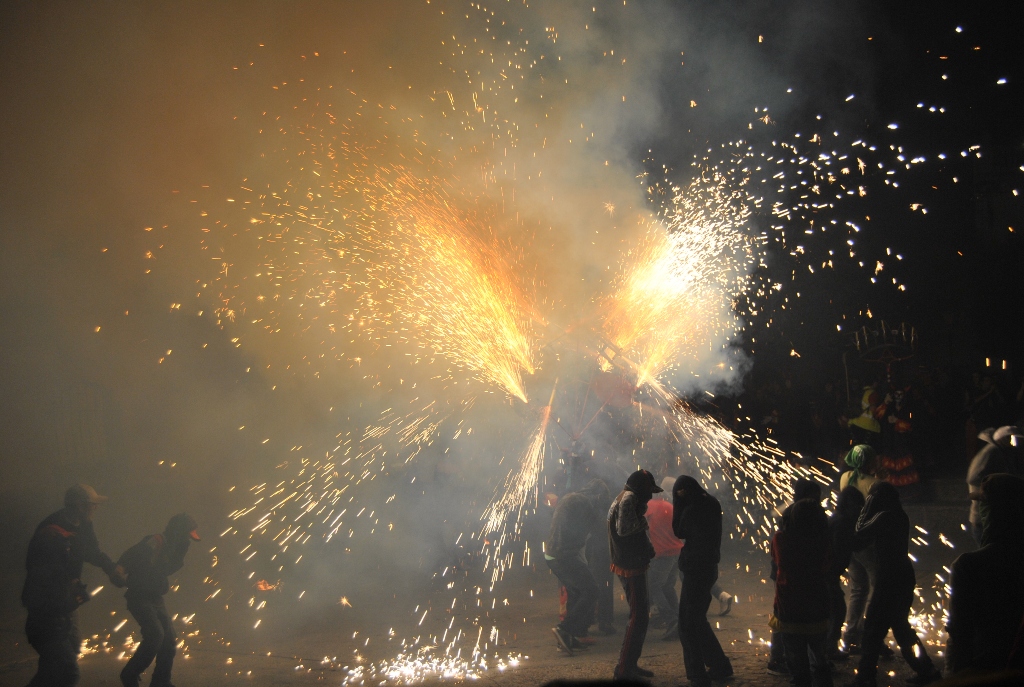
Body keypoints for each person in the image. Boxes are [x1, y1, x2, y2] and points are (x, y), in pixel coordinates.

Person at [21, 484, 124, 687]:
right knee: (67, 670)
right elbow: (39, 569)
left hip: (67, 599)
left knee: (71, 649)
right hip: (47, 605)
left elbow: (92, 551)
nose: (95, 509)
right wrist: (63, 586)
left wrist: (111, 568)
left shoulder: (83, 524)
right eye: (92, 505)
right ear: (79, 506)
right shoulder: (51, 531)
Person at [848, 482, 941, 687]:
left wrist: (867, 506)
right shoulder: (899, 515)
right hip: (902, 577)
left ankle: (865, 677)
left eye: (872, 497)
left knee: (873, 628)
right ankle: (927, 669)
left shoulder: (884, 516)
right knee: (901, 627)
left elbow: (859, 532)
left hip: (889, 580)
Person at [945, 473, 1024, 676]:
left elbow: (959, 634)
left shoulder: (969, 565)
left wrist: (954, 677)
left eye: (985, 505)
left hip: (983, 670)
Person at [117, 513, 200, 687]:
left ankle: (161, 682)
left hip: (155, 597)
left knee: (169, 640)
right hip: (139, 596)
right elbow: (132, 554)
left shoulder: (174, 548)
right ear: (178, 532)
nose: (187, 541)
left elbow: (167, 568)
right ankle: (129, 674)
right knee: (155, 635)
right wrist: (119, 570)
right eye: (186, 536)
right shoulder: (156, 541)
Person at [673, 475, 733, 687]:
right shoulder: (712, 502)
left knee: (687, 623)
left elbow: (678, 531)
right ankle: (720, 665)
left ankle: (697, 674)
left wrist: (678, 504)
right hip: (709, 567)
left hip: (695, 569)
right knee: (697, 620)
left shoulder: (690, 509)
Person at [770, 499, 834, 687]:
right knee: (819, 657)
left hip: (790, 604)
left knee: (796, 661)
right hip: (817, 602)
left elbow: (777, 560)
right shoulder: (823, 539)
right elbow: (828, 565)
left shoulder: (781, 539)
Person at [608, 469, 660, 681]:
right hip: (629, 564)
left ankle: (630, 664)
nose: (651, 497)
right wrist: (645, 524)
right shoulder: (629, 499)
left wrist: (647, 546)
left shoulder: (627, 497)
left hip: (632, 562)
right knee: (638, 616)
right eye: (649, 492)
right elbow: (625, 529)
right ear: (641, 489)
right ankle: (623, 670)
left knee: (641, 615)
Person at [546, 481, 603, 656]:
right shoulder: (585, 503)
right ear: (598, 496)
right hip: (565, 556)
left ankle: (568, 638)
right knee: (592, 590)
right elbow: (598, 527)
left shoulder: (571, 498)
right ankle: (564, 629)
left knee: (577, 592)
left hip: (553, 554)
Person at [966, 426, 1023, 546]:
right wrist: (994, 489)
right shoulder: (992, 451)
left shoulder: (1006, 453)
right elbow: (973, 478)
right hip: (984, 520)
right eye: (1011, 439)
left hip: (994, 518)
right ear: (1002, 439)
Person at [826, 487, 865, 661]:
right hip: (827, 573)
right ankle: (827, 650)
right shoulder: (842, 523)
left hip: (829, 573)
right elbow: (845, 546)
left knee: (835, 611)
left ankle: (828, 649)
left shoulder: (840, 519)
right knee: (836, 611)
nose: (859, 510)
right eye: (857, 506)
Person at [646, 479, 683, 629]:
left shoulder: (649, 507)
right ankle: (680, 619)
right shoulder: (670, 507)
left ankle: (670, 619)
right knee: (667, 586)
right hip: (677, 552)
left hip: (663, 554)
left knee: (653, 585)